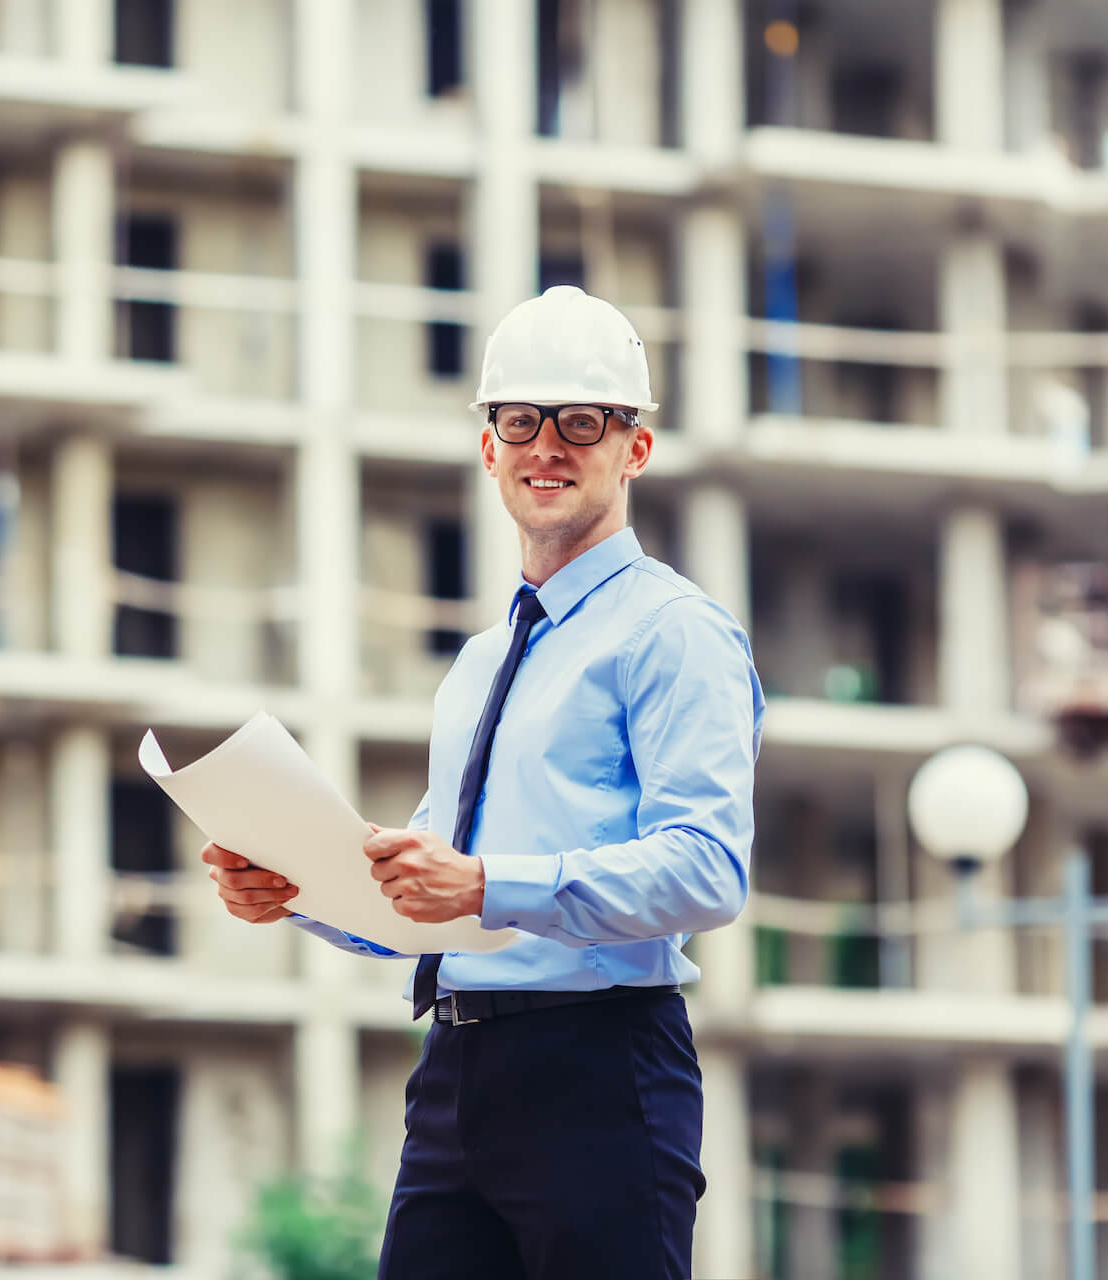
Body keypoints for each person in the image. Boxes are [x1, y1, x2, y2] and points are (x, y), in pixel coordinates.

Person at [201, 286, 763, 1279]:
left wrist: (489, 884)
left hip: (602, 1067)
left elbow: (708, 870)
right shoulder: (479, 663)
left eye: (580, 421)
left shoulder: (674, 633)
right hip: (456, 1073)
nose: (546, 444)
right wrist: (292, 887)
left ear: (634, 447)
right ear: (488, 447)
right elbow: (429, 896)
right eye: (520, 420)